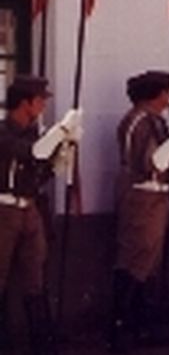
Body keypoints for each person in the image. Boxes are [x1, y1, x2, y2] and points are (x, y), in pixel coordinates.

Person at [0, 77, 80, 354]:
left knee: (35, 274)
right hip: (4, 209)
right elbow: (27, 153)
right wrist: (58, 134)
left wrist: (61, 154)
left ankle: (41, 337)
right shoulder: (4, 132)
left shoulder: (35, 134)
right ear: (25, 103)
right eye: (40, 99)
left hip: (30, 208)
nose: (44, 104)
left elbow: (40, 170)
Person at [110, 70, 169, 353]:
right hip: (142, 195)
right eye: (167, 92)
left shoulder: (153, 120)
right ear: (157, 94)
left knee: (148, 263)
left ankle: (140, 326)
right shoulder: (138, 121)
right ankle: (120, 329)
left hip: (156, 196)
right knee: (134, 259)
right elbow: (149, 161)